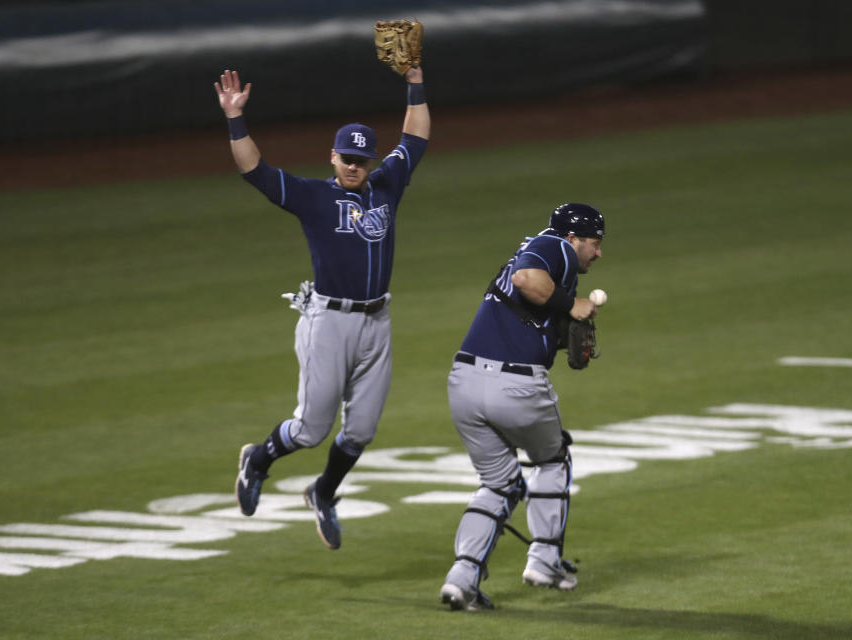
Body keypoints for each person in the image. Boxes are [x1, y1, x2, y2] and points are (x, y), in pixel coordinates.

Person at [214, 65, 431, 549]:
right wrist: (235, 119)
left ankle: (323, 492)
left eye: (361, 159)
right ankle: (259, 460)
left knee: (362, 431)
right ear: (332, 156)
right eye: (346, 157)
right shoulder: (313, 197)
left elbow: (415, 137)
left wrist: (414, 80)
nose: (354, 165)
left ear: (371, 161)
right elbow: (255, 172)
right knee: (312, 430)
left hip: (377, 321)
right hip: (329, 321)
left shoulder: (387, 186)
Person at [439, 203, 606, 610]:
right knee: (553, 459)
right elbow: (528, 279)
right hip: (514, 387)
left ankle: (461, 580)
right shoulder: (555, 246)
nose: (598, 254)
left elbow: (526, 302)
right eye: (594, 244)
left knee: (499, 483)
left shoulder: (538, 251)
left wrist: (557, 331)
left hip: (463, 382)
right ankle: (544, 560)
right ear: (573, 239)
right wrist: (571, 306)